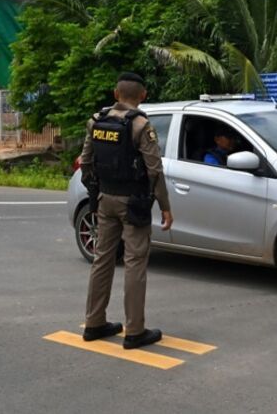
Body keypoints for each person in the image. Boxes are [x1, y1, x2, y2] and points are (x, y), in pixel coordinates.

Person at [80, 72, 174, 350]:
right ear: (143, 95)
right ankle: (134, 331)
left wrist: (95, 191)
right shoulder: (141, 125)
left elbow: (85, 162)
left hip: (104, 199)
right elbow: (154, 170)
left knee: (102, 259)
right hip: (133, 203)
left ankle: (94, 323)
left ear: (115, 93)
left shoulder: (96, 121)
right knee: (135, 262)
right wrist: (165, 206)